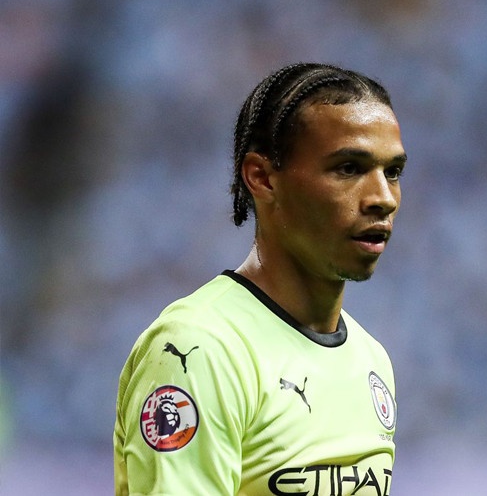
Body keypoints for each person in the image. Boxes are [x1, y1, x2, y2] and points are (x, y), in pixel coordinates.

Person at [114, 62, 406, 496]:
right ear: (262, 177)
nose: (383, 197)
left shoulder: (370, 359)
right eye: (348, 168)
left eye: (393, 172)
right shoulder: (201, 350)